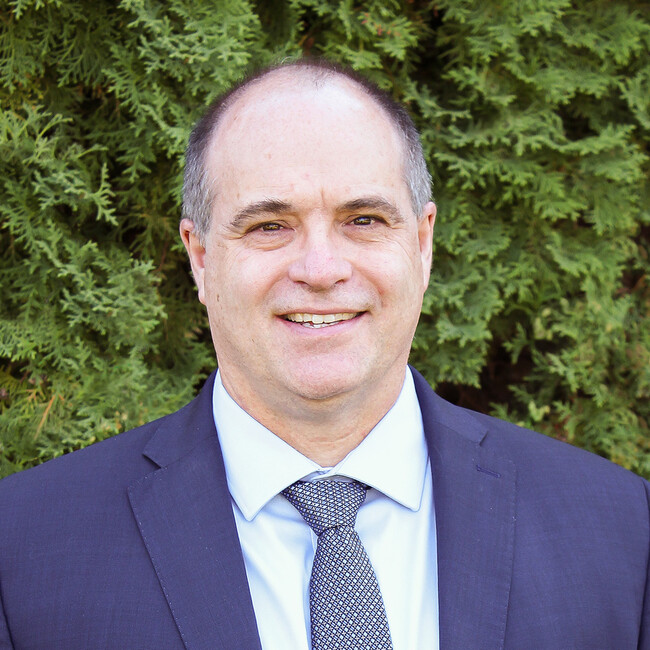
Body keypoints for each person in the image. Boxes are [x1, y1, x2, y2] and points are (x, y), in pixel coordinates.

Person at [0, 59, 648, 650]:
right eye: (269, 225)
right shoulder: (23, 552)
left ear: (422, 245)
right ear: (200, 257)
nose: (320, 268)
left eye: (364, 219)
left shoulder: (623, 533)